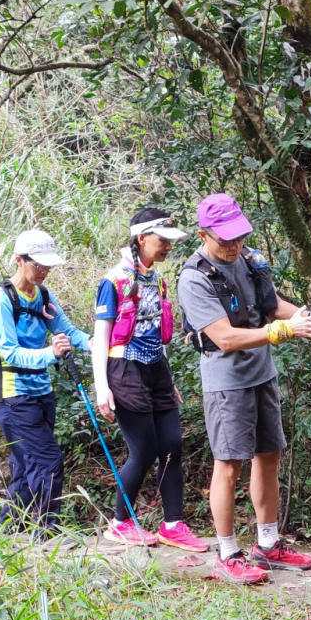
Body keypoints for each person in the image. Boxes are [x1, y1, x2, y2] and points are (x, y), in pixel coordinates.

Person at [176, 193, 311, 584]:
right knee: (228, 465)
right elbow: (224, 338)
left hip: (263, 375)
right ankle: (227, 553)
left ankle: (268, 543)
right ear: (203, 234)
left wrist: (307, 317)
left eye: (238, 238)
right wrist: (285, 331)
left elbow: (271, 304)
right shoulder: (194, 277)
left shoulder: (246, 259)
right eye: (224, 240)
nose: (233, 246)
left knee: (269, 455)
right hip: (227, 383)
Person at [92, 207, 206, 551]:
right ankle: (120, 522)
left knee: (171, 445)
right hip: (123, 370)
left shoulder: (156, 279)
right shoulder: (112, 281)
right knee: (143, 449)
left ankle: (173, 524)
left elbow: (155, 330)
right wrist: (102, 388)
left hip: (157, 368)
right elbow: (101, 337)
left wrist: (167, 378)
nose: (167, 247)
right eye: (162, 240)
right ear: (142, 238)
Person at [0, 228, 93, 533]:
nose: (44, 271)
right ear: (19, 260)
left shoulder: (43, 294)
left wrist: (101, 345)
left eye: (48, 266)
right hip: (10, 394)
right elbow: (9, 353)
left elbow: (68, 331)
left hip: (41, 391)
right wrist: (50, 354)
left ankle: (9, 531)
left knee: (25, 465)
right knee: (47, 460)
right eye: (38, 265)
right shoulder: (1, 299)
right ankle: (46, 530)